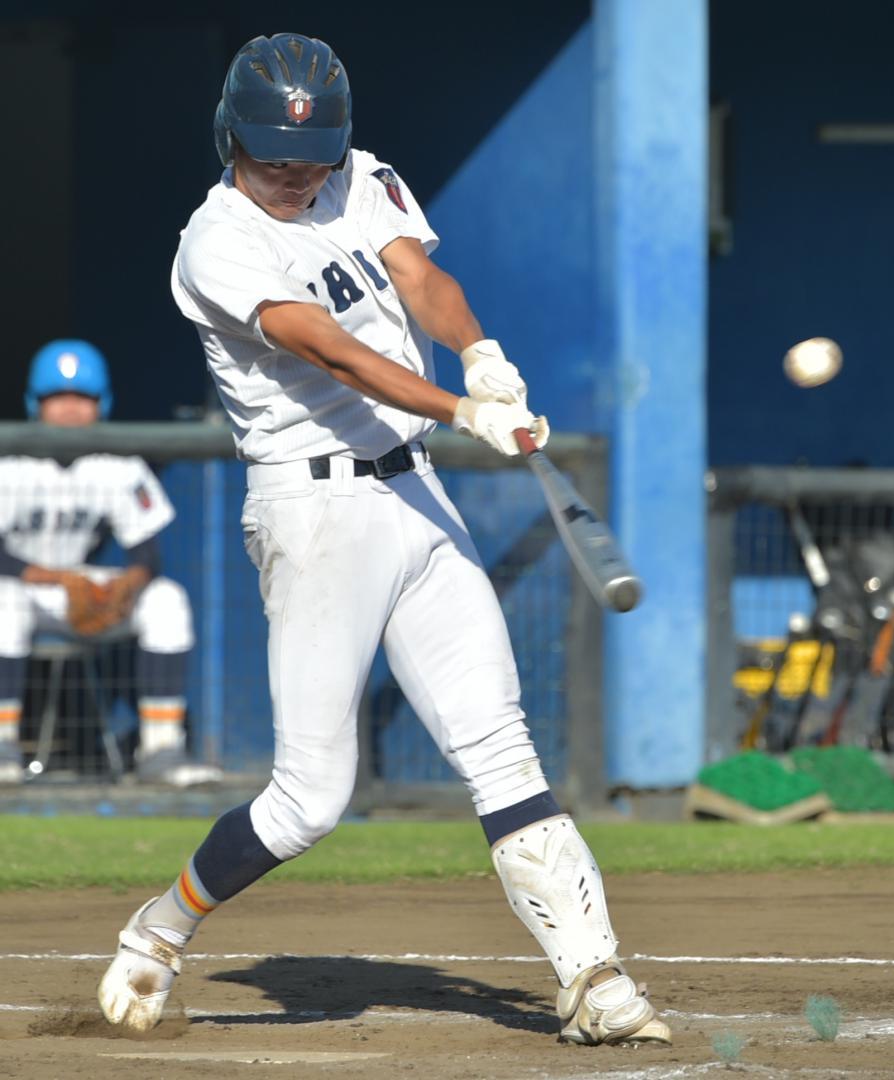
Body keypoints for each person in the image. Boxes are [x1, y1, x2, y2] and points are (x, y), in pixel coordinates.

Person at [97, 34, 671, 1048]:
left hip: (418, 494)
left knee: (498, 742)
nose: (297, 173)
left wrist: (480, 353)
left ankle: (594, 979)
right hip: (314, 516)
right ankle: (160, 928)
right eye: (275, 155)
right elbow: (331, 349)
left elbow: (418, 283)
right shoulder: (215, 241)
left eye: (310, 157)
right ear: (232, 138)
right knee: (310, 799)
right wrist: (461, 409)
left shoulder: (360, 178)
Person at [0, 339, 222, 788]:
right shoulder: (11, 460)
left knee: (166, 599)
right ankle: (3, 743)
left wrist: (130, 585)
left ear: (101, 404)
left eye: (82, 398)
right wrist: (58, 579)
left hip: (75, 590)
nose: (69, 409)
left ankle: (161, 750)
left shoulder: (116, 461)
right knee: (4, 602)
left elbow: (146, 553)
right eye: (56, 398)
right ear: (34, 403)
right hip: (23, 588)